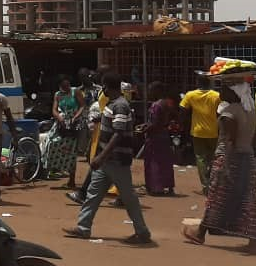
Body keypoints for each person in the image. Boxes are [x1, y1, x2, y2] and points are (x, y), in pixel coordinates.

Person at [63, 71, 151, 244]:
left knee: (128, 197)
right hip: (107, 161)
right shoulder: (113, 104)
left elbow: (118, 134)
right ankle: (83, 227)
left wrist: (101, 157)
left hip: (116, 160)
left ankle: (142, 232)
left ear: (107, 86)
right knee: (93, 194)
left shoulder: (120, 105)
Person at [182, 83, 256, 250]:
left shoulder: (229, 112)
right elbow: (254, 137)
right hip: (248, 157)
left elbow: (230, 141)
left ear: (233, 92)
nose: (220, 92)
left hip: (229, 157)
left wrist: (225, 165)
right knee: (247, 198)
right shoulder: (250, 110)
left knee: (216, 196)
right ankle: (253, 240)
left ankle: (200, 233)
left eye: (224, 89)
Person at [180, 74, 221, 195]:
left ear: (197, 82)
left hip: (197, 131)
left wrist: (184, 122)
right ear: (209, 83)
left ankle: (205, 185)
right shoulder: (216, 95)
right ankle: (213, 182)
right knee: (214, 157)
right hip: (213, 131)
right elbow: (221, 111)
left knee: (200, 158)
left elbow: (182, 109)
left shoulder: (190, 95)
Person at [46, 76, 85, 188]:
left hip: (74, 124)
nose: (66, 87)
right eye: (64, 86)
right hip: (61, 124)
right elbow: (54, 109)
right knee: (51, 143)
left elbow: (82, 106)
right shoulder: (57, 95)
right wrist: (59, 117)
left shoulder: (75, 91)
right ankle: (55, 169)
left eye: (68, 85)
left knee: (72, 151)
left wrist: (75, 117)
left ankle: (71, 180)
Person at [142, 81, 176, 195]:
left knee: (154, 161)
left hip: (155, 136)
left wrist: (145, 129)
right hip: (164, 135)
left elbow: (155, 123)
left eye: (151, 90)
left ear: (157, 91)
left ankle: (156, 187)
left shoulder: (156, 105)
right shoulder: (166, 103)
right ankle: (168, 186)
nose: (149, 92)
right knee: (165, 161)